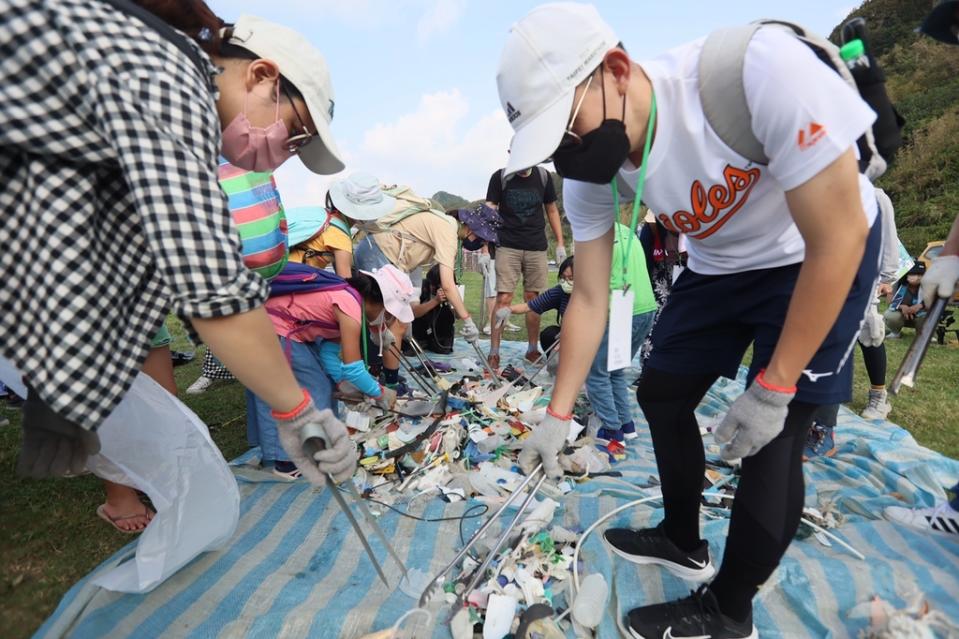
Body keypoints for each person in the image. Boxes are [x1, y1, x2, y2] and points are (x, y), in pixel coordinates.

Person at [499, 5, 882, 637]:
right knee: (662, 391)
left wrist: (777, 384)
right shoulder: (590, 177)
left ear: (616, 71)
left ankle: (729, 610)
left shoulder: (755, 74)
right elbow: (590, 299)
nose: (568, 154)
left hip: (815, 254)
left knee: (772, 437)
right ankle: (683, 538)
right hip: (720, 266)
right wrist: (558, 415)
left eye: (567, 130)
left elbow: (838, 235)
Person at [1, 1, 356, 487]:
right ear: (261, 75)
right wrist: (297, 412)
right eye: (293, 132)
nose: (281, 152)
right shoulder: (174, 82)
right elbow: (211, 288)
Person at [248, 266, 409, 479]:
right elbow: (354, 368)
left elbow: (329, 355)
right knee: (314, 391)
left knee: (316, 386)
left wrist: (342, 384)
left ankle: (281, 452)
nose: (386, 320)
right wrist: (380, 393)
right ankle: (287, 462)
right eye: (388, 315)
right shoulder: (351, 309)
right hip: (275, 329)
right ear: (380, 303)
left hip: (276, 327)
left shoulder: (351, 299)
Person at [335, 174, 480, 388]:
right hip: (380, 255)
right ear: (470, 229)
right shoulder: (447, 230)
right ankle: (383, 379)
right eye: (482, 237)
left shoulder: (438, 224)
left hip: (381, 254)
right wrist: (467, 320)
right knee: (389, 323)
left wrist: (409, 307)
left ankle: (386, 374)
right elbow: (448, 284)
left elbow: (412, 265)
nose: (481, 243)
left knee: (396, 323)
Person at [804, 188, 904, 457]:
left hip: (860, 279)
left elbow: (888, 239)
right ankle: (813, 420)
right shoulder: (816, 188)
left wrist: (886, 277)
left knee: (870, 334)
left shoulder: (875, 195)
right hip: (821, 278)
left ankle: (876, 397)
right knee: (821, 348)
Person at [188, 157, 291, 395]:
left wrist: (278, 246)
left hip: (262, 261)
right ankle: (214, 372)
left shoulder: (252, 161)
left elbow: (276, 208)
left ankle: (258, 367)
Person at [486, 163, 568, 368]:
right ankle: (494, 352)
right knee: (504, 298)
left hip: (536, 246)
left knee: (533, 298)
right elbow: (489, 214)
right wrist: (484, 249)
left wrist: (560, 243)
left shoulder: (543, 176)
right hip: (507, 245)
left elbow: (551, 209)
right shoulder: (500, 177)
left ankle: (532, 350)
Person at [285, 205, 355, 277]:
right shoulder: (341, 235)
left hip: (278, 267)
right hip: (293, 274)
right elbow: (345, 277)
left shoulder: (320, 215)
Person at [884, 262, 927, 338]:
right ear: (907, 275)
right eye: (914, 274)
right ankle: (895, 332)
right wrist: (902, 306)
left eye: (921, 274)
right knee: (891, 315)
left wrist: (920, 306)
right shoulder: (897, 283)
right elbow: (889, 301)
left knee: (929, 315)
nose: (918, 277)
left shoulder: (928, 285)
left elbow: (934, 303)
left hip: (920, 315)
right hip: (901, 315)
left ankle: (924, 334)